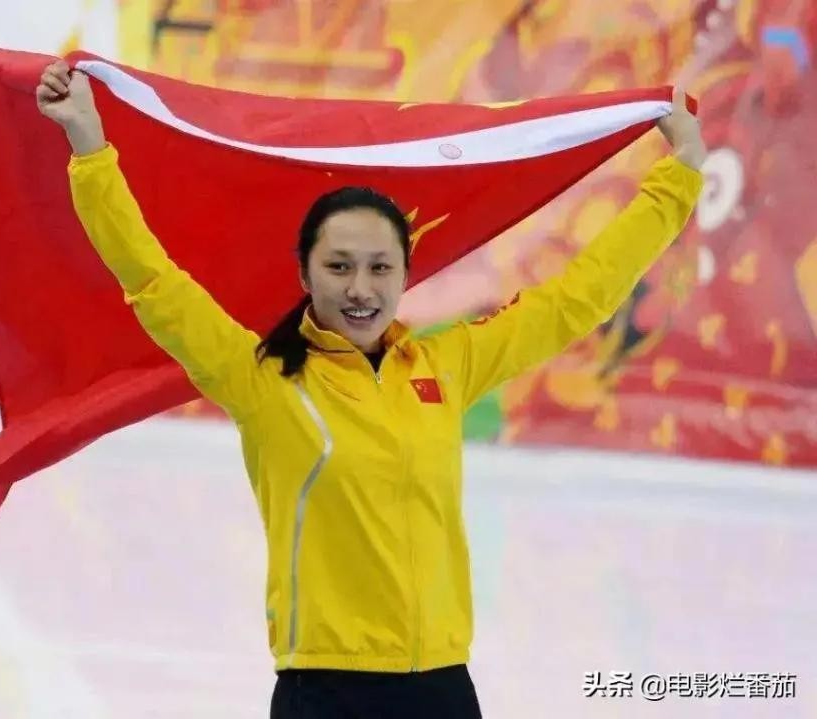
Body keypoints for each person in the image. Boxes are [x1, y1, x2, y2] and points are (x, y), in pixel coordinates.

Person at [35, 59, 706, 718]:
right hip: (326, 691)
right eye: (339, 266)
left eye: (381, 267)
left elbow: (575, 300)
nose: (361, 288)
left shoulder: (446, 366)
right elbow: (153, 281)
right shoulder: (261, 377)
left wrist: (678, 177)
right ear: (305, 274)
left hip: (442, 685)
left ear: (406, 274)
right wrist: (89, 149)